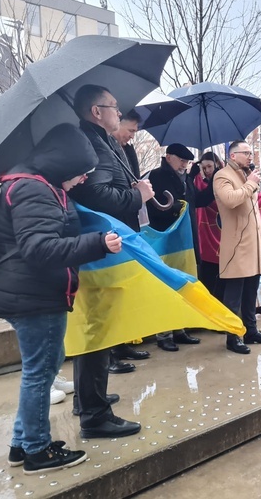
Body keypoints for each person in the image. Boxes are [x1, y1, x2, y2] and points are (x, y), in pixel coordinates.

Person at [0, 124, 123, 473]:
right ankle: (37, 452)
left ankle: (21, 443)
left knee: (41, 370)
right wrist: (97, 244)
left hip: (30, 292)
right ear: (66, 163)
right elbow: (39, 248)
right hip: (34, 296)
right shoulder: (34, 189)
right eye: (81, 173)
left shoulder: (31, 184)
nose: (83, 180)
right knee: (39, 372)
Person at [68, 84, 154, 438]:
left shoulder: (98, 141)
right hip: (102, 247)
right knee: (99, 327)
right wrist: (138, 194)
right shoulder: (91, 145)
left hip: (100, 245)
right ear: (96, 112)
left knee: (98, 326)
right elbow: (101, 197)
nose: (120, 113)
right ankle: (95, 414)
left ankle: (88, 398)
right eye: (114, 107)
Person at [147, 143, 216, 351]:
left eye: (187, 162)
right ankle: (164, 333)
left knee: (183, 283)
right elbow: (155, 207)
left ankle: (180, 329)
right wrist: (177, 206)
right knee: (166, 285)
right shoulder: (156, 176)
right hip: (167, 240)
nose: (184, 165)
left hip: (186, 240)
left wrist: (214, 182)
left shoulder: (186, 179)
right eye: (181, 161)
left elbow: (200, 201)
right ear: (169, 157)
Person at [214, 140, 261, 354]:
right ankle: (233, 336)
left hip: (253, 244)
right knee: (234, 295)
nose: (250, 157)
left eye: (251, 153)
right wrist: (250, 183)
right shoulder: (222, 175)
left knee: (251, 291)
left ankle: (251, 331)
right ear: (233, 156)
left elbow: (253, 212)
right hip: (236, 247)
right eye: (246, 153)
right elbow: (231, 200)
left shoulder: (244, 175)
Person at [109, 108, 152, 366]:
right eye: (130, 131)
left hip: (131, 224)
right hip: (113, 230)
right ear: (116, 122)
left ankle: (123, 343)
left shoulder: (127, 151)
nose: (132, 137)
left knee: (128, 288)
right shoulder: (103, 151)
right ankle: (112, 350)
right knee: (115, 290)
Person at [190, 151, 226, 299]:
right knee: (207, 278)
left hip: (222, 234)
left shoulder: (225, 181)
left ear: (217, 164)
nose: (207, 171)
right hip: (204, 235)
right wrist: (191, 176)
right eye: (204, 167)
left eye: (210, 166)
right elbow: (197, 197)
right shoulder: (199, 182)